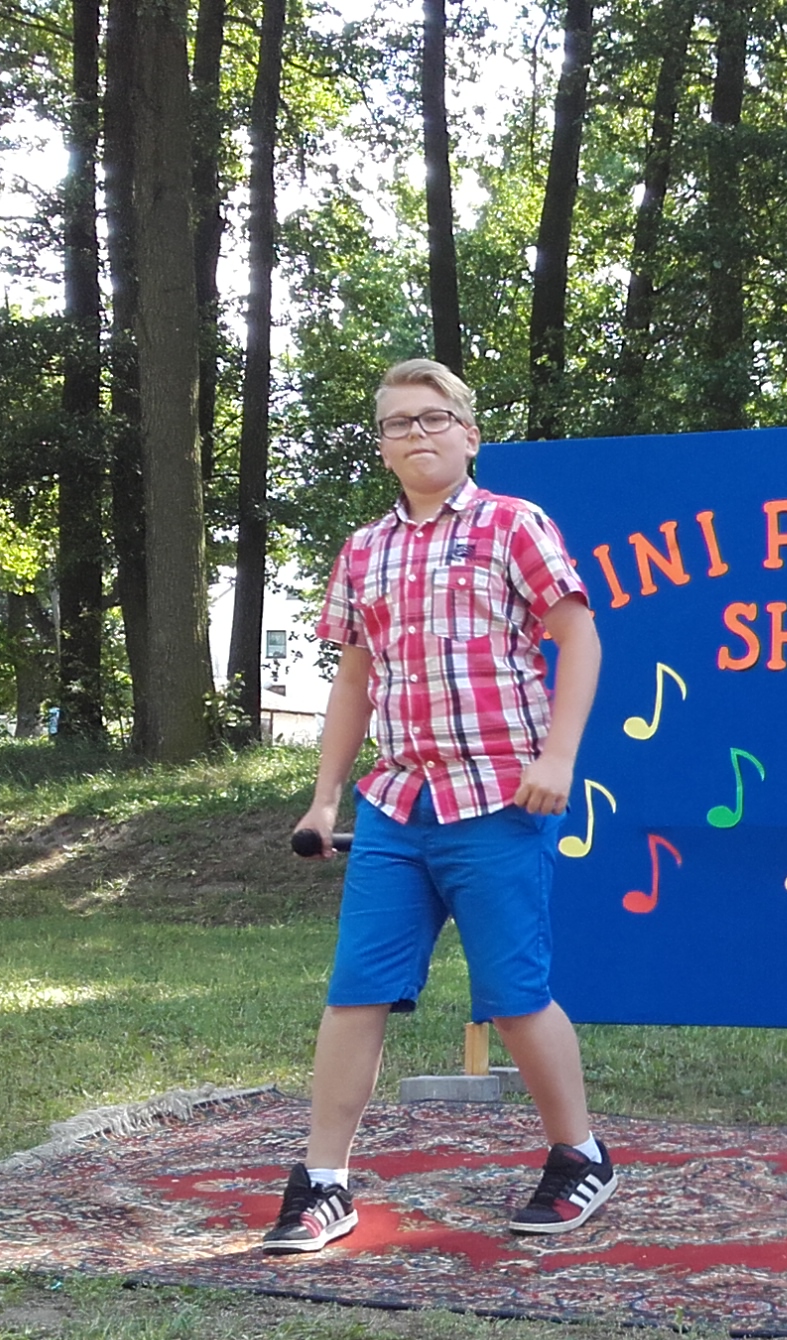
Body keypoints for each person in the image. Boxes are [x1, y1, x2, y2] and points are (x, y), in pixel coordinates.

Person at [265, 357, 612, 1254]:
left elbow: (579, 638)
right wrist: (324, 799)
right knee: (356, 992)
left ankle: (579, 1157)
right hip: (397, 804)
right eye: (397, 423)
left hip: (499, 796)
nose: (416, 434)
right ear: (382, 447)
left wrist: (558, 758)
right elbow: (354, 680)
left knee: (514, 997)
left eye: (433, 418)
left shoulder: (513, 524)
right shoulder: (363, 550)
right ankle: (323, 1184)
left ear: (469, 434)